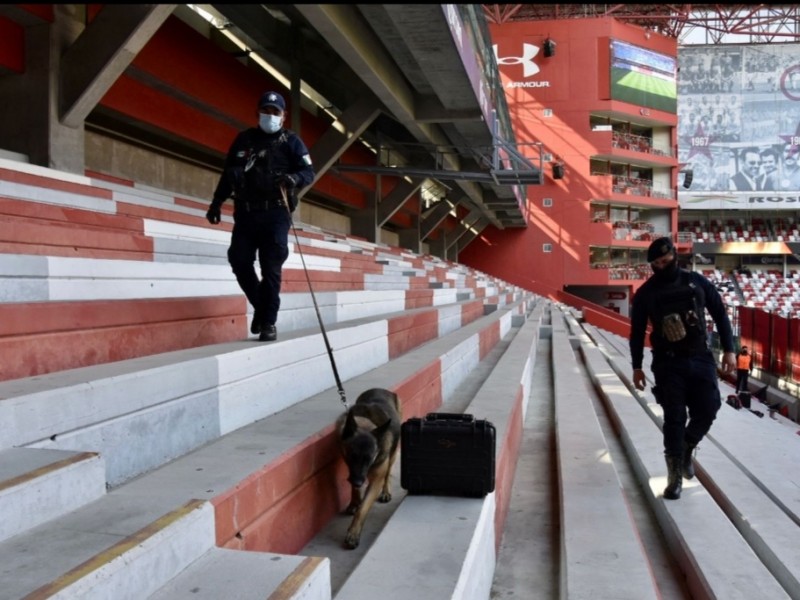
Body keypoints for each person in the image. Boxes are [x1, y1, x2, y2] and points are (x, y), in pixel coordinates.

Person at [630, 237, 736, 500]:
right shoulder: (646, 293)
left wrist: (730, 349)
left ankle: (688, 445)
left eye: (665, 262)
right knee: (674, 418)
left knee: (710, 407)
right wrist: (636, 366)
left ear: (675, 257)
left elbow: (720, 314)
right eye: (656, 264)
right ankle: (674, 476)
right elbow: (636, 332)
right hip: (668, 361)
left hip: (700, 356)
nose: (661, 267)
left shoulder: (697, 282)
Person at [206, 91, 315, 341]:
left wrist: (293, 179)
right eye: (266, 111)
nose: (270, 116)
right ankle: (263, 309)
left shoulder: (292, 141)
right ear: (258, 113)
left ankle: (268, 323)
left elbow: (308, 171)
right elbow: (227, 174)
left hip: (276, 212)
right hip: (245, 212)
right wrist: (216, 203)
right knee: (239, 260)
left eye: (275, 112)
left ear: (284, 116)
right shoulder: (244, 140)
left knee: (271, 268)